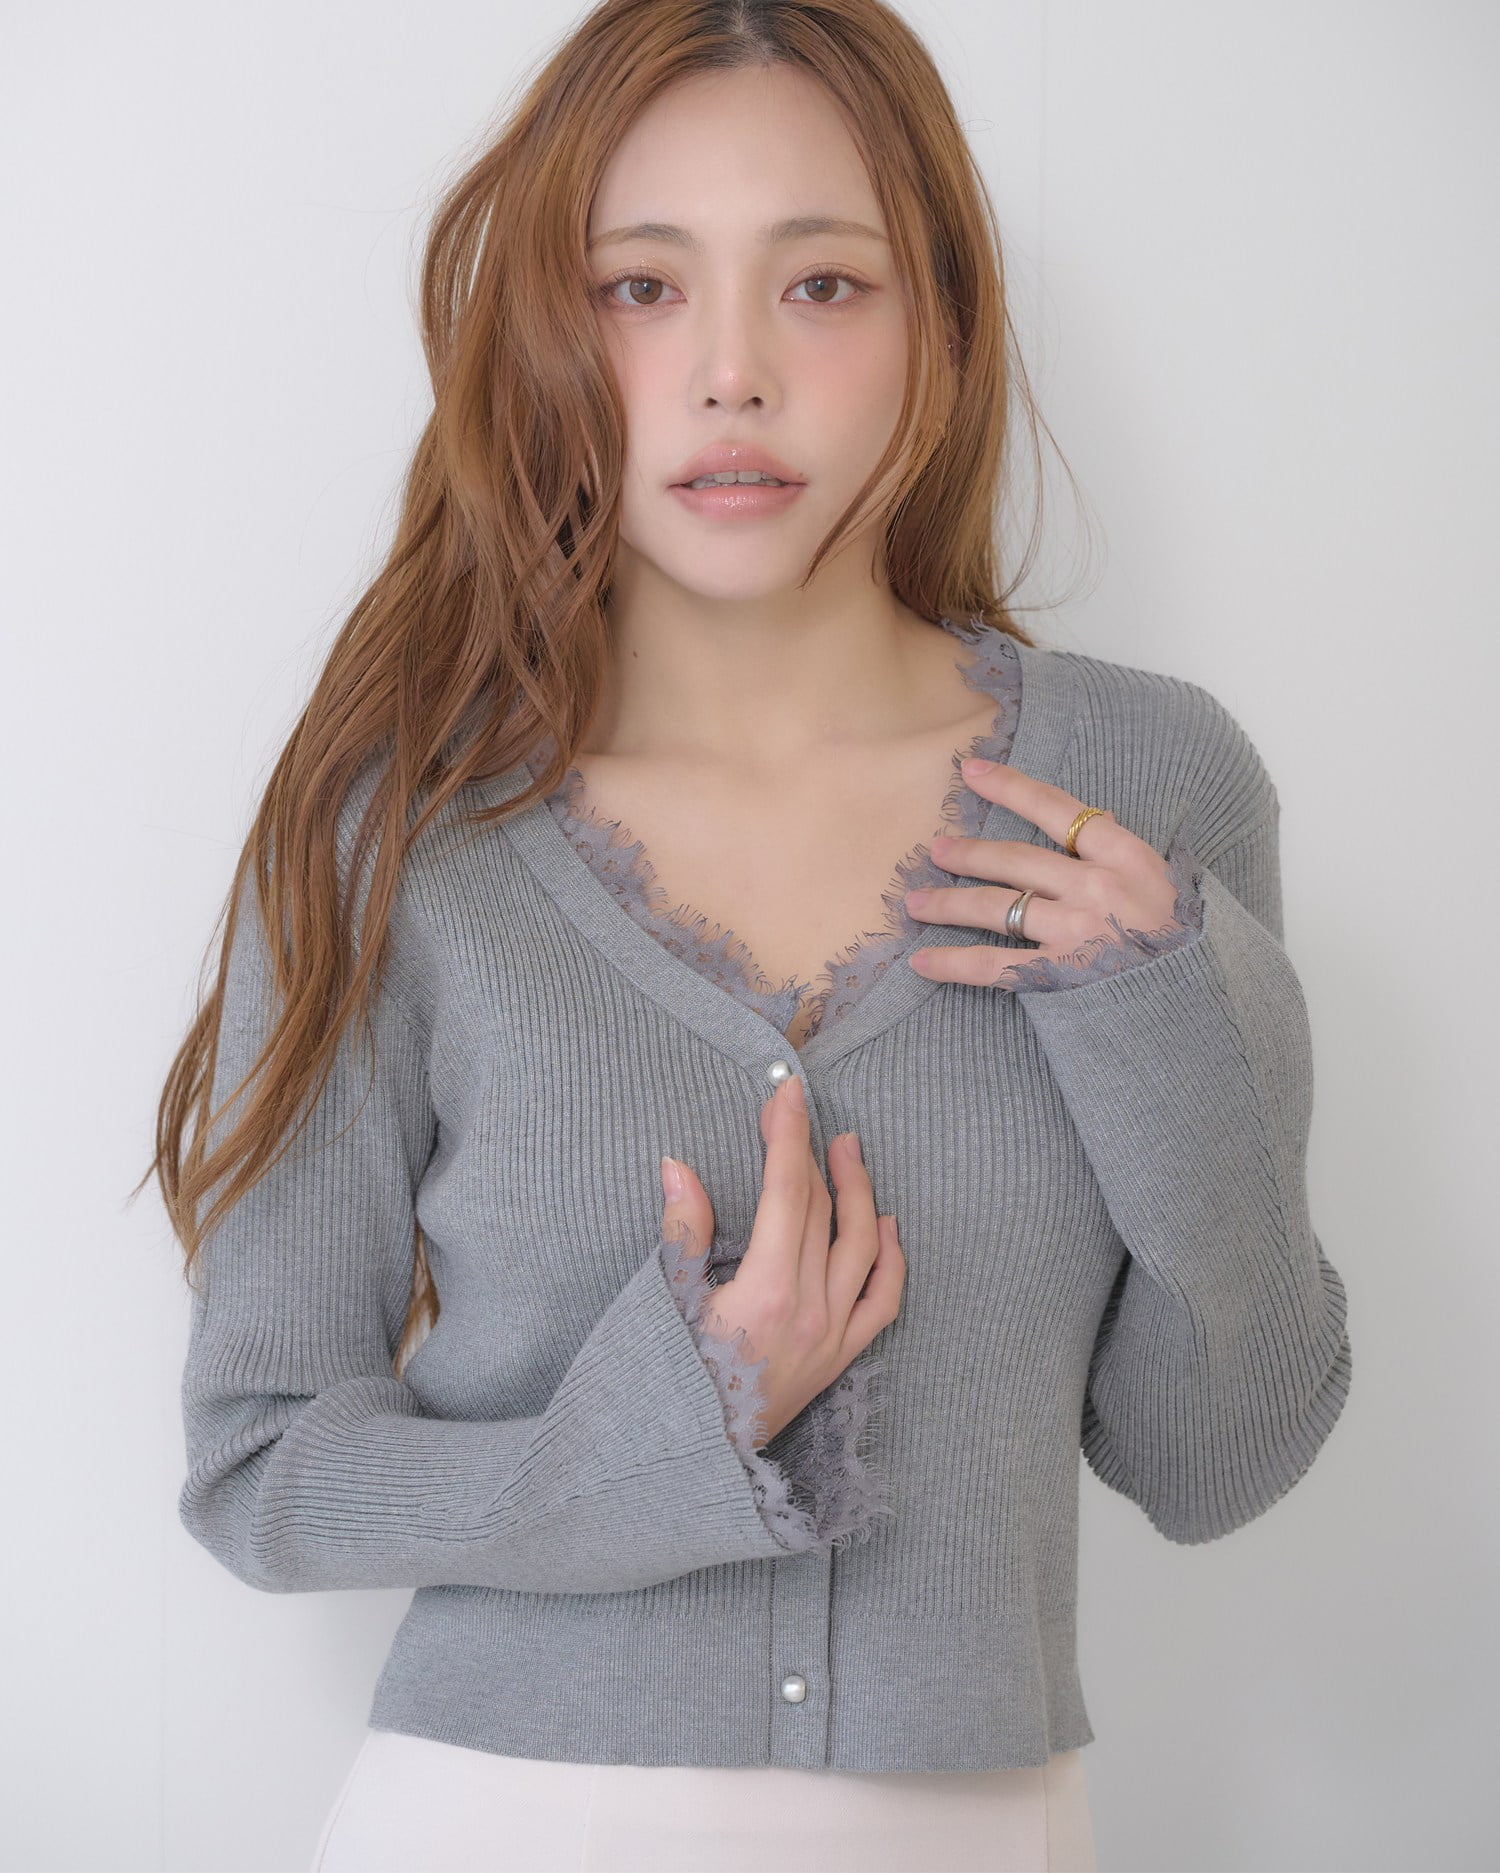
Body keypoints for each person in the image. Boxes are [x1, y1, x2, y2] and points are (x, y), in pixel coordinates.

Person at [144, 3, 1353, 1868]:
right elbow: (260, 1472)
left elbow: (1217, 1460)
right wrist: (658, 1433)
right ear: (546, 334)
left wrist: (1163, 1017)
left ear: (941, 323)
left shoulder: (1147, 790)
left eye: (823, 286)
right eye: (640, 287)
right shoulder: (403, 834)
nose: (731, 374)